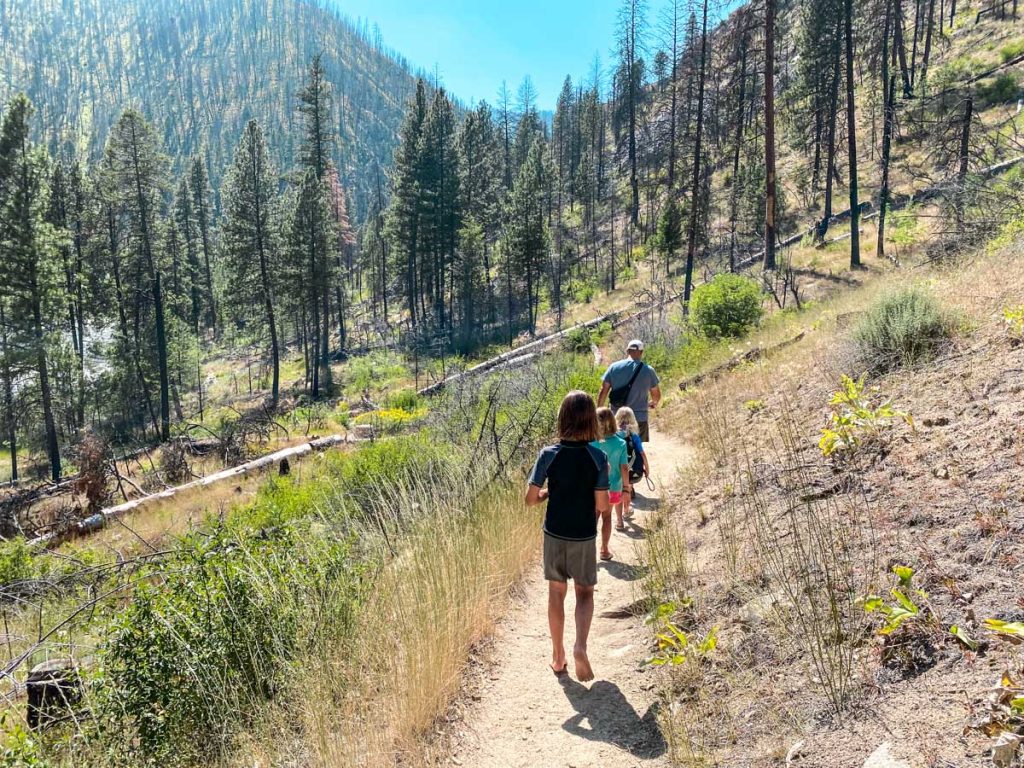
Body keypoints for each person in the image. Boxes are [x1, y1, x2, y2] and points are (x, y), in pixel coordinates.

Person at [526, 391, 610, 682]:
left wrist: (551, 492)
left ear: (562, 418)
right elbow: (601, 505)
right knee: (584, 593)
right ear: (591, 421)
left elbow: (530, 498)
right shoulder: (598, 457)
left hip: (554, 533)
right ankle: (580, 647)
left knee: (556, 593)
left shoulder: (548, 455)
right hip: (584, 535)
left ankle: (558, 655)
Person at [598, 339, 661, 443]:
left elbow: (603, 390)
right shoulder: (648, 370)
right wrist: (653, 403)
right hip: (639, 417)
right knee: (638, 449)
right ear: (641, 352)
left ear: (627, 351)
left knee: (617, 446)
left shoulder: (614, 367)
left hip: (617, 417)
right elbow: (656, 394)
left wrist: (599, 410)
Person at [590, 407, 630, 548]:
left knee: (592, 518)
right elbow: (624, 468)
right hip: (613, 487)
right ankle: (604, 549)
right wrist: (626, 489)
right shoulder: (621, 443)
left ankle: (588, 549)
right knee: (607, 518)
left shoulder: (590, 443)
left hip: (593, 489)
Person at [615, 406, 649, 519]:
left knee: (619, 490)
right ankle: (626, 510)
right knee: (627, 489)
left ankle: (619, 519)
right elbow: (642, 453)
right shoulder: (634, 436)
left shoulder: (614, 435)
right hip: (630, 469)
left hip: (617, 469)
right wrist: (647, 468)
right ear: (632, 419)